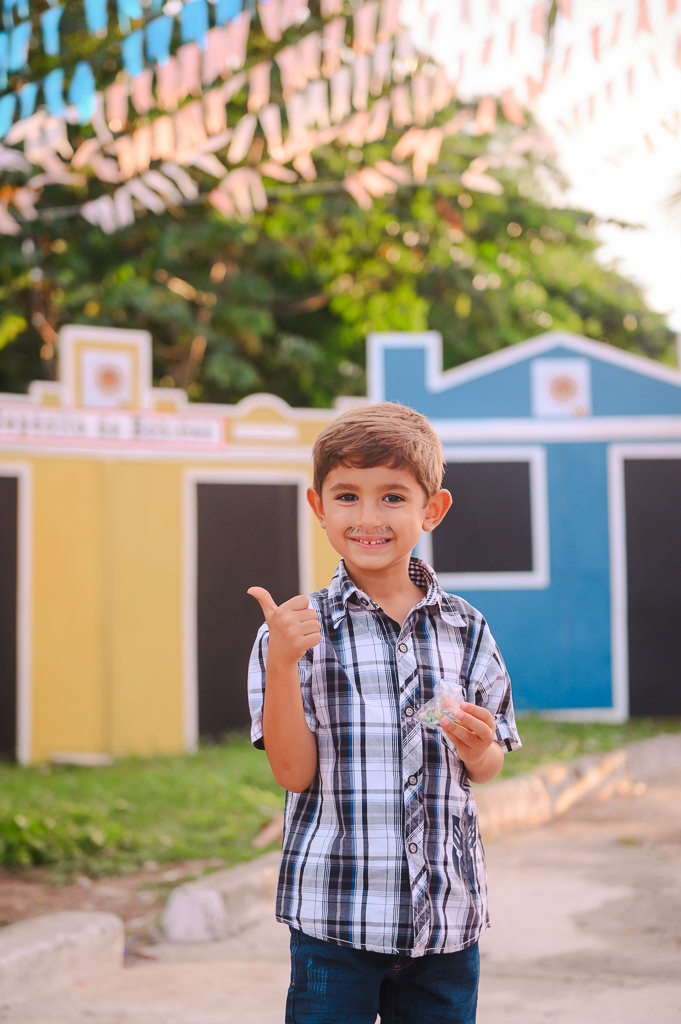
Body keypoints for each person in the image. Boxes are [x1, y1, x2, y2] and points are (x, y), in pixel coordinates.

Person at [247, 402, 521, 1024]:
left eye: (393, 497)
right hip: (334, 922)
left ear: (432, 509)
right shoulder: (292, 635)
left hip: (447, 924)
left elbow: (490, 763)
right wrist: (284, 665)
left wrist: (479, 748)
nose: (368, 518)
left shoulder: (466, 630)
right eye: (347, 496)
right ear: (318, 507)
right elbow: (293, 773)